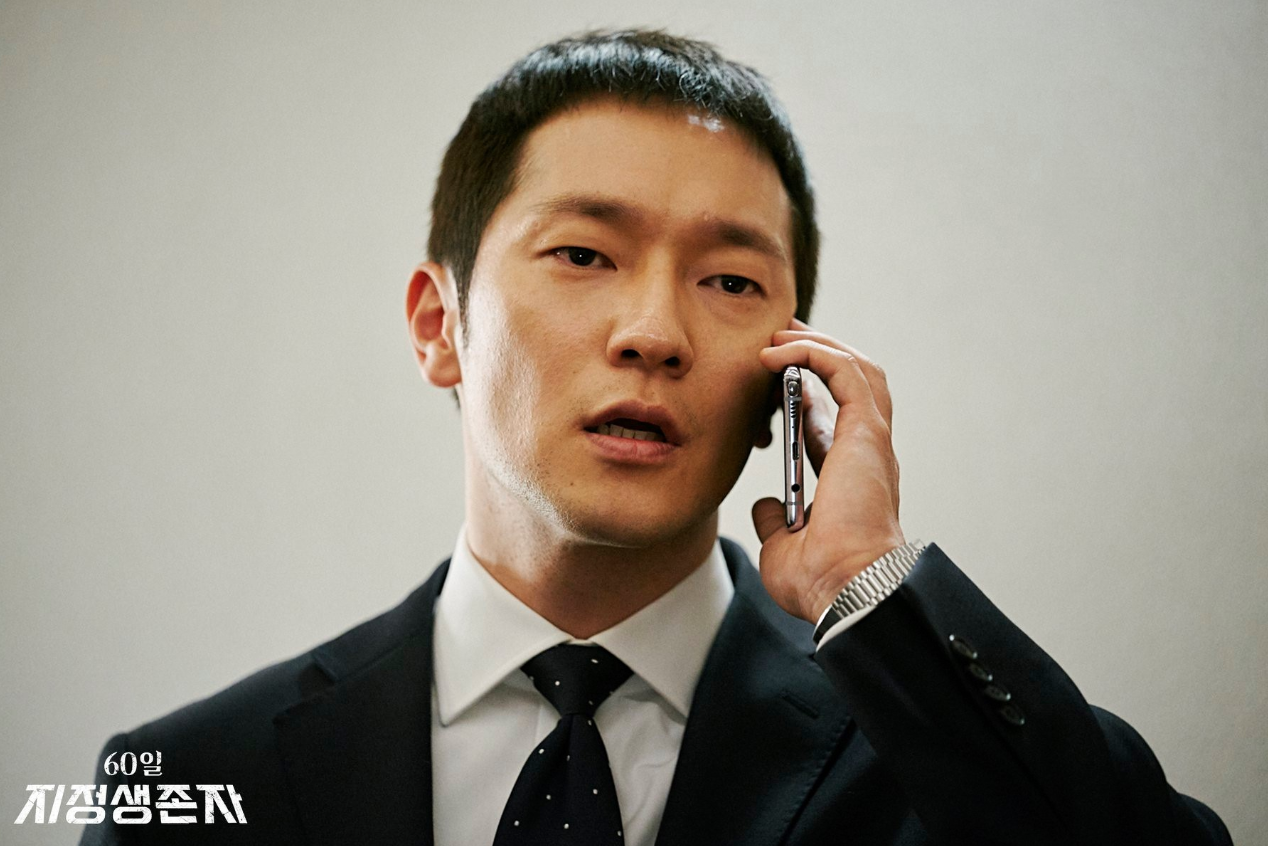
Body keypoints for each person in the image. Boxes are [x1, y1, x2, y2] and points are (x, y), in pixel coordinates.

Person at [82, 29, 1230, 845]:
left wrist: (870, 587)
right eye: (583, 254)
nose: (654, 333)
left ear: (789, 363)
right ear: (440, 326)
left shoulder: (927, 747)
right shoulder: (191, 781)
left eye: (729, 280)